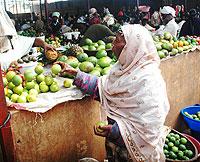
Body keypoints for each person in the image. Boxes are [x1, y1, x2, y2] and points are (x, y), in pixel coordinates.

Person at [56, 24, 170, 161]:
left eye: (117, 40)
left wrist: (116, 132)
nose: (112, 44)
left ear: (131, 47)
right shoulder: (123, 69)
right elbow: (103, 88)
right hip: (117, 148)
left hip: (135, 153)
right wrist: (75, 74)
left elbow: (150, 127)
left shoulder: (148, 80)